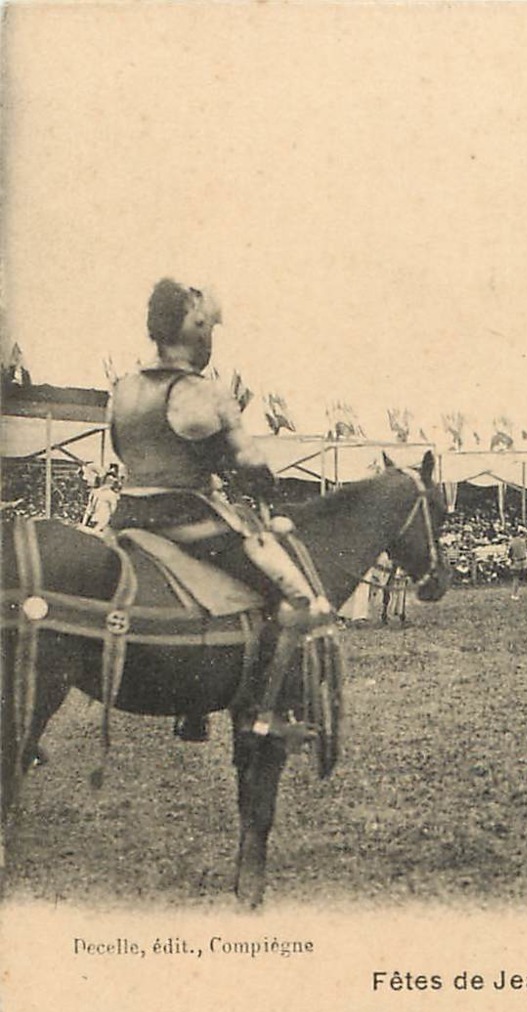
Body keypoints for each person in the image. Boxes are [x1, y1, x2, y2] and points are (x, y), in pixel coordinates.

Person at [107, 279, 325, 741]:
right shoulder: (203, 391)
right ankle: (271, 713)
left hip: (126, 517)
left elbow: (121, 448)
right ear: (198, 332)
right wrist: (264, 482)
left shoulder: (123, 387)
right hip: (187, 518)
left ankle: (193, 708)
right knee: (294, 597)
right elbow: (248, 461)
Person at [508, 528, 527, 599]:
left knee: (515, 579)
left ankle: (514, 594)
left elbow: (509, 554)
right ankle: (518, 592)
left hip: (516, 562)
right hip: (524, 561)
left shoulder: (511, 543)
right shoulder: (523, 541)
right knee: (522, 578)